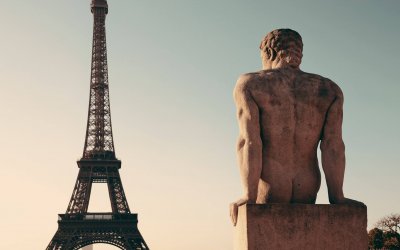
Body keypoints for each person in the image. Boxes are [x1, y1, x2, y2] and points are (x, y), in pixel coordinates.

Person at [230, 29, 363, 226]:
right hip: (308, 186)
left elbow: (249, 142)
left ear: (269, 52)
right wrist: (338, 197)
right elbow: (333, 146)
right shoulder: (329, 89)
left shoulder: (251, 84)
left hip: (270, 185)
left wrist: (248, 196)